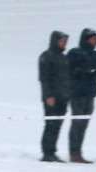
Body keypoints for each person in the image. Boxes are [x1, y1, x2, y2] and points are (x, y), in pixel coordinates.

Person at [67, 29, 96, 163]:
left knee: (84, 125)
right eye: (93, 39)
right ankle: (74, 152)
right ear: (86, 39)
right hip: (77, 94)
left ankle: (78, 152)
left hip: (90, 94)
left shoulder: (95, 55)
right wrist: (81, 72)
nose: (95, 42)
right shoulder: (75, 53)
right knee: (77, 123)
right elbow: (69, 70)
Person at [38, 30, 70, 162]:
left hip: (63, 97)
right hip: (51, 98)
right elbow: (44, 79)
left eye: (65, 41)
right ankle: (47, 152)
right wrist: (48, 96)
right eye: (62, 41)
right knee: (50, 125)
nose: (64, 43)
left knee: (57, 125)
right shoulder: (46, 56)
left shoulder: (63, 57)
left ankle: (52, 151)